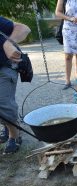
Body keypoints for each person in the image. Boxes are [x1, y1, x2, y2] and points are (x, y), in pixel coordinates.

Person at [0, 17, 30, 154]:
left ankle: (14, 134)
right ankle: (7, 125)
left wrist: (7, 43)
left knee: (3, 103)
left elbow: (24, 29)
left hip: (4, 67)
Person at [55, 0, 77, 90]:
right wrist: (70, 18)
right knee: (68, 55)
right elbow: (57, 12)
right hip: (68, 30)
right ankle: (67, 81)